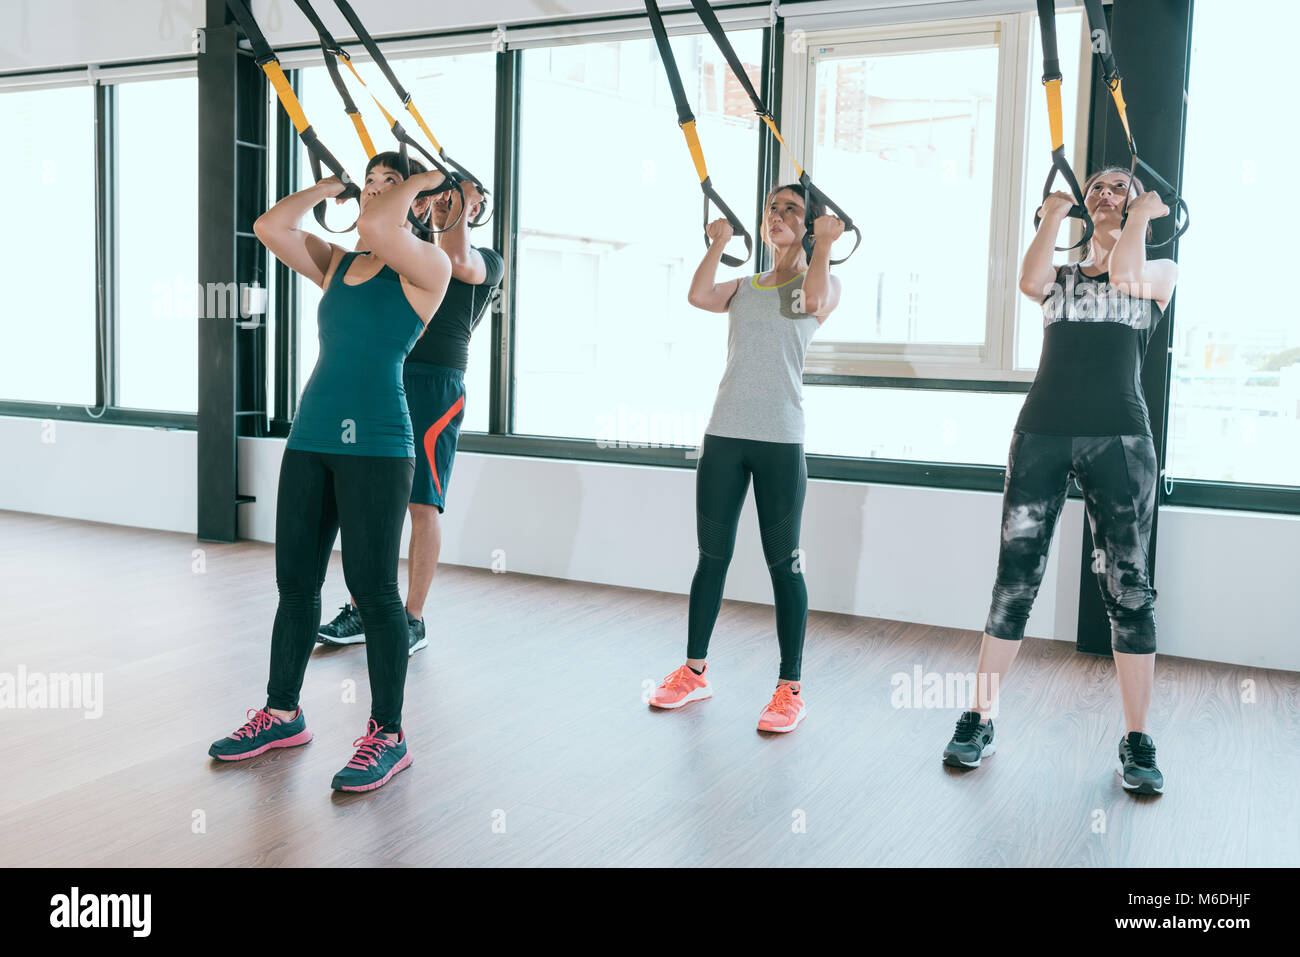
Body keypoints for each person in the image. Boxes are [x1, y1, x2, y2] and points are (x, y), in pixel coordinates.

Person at [208, 153, 452, 793]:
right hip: (311, 436)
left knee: (373, 593)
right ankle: (282, 714)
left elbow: (380, 231)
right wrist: (329, 187)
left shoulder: (431, 268)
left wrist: (421, 181)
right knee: (295, 585)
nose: (372, 197)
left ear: (416, 204)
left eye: (386, 186)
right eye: (368, 185)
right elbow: (270, 227)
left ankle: (388, 735)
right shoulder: (339, 264)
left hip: (377, 444)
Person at [941, 167, 1178, 795]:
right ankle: (979, 717)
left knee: (1129, 590)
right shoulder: (1060, 280)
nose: (1106, 195)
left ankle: (1136, 738)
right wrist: (1051, 214)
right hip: (1042, 434)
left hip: (1121, 442)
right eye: (1096, 187)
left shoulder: (1159, 274)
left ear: (1141, 204)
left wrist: (1138, 220)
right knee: (1013, 582)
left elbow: (1126, 273)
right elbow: (1026, 278)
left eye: (1120, 187)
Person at [648, 183, 843, 732]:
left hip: (780, 439)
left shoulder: (820, 281)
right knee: (712, 557)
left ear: (810, 225)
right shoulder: (745, 286)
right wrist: (719, 241)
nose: (778, 215)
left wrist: (822, 243)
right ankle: (694, 671)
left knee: (785, 563)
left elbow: (811, 300)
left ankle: (789, 689)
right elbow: (698, 295)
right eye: (772, 209)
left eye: (792, 210)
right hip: (725, 435)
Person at [317, 172, 504, 653]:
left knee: (422, 503)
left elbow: (458, 259)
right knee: (372, 500)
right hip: (389, 371)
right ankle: (363, 609)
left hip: (437, 385)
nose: (440, 210)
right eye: (434, 204)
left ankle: (413, 620)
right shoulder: (410, 251)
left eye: (452, 206)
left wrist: (454, 204)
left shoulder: (486, 261)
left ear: (472, 210)